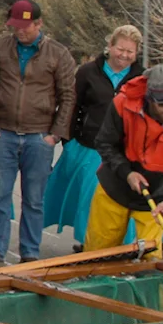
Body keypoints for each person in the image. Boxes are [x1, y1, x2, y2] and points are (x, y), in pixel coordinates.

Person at [0, 0, 76, 268]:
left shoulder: (58, 54)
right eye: (15, 26)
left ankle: (30, 253)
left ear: (39, 23)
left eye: (25, 26)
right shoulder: (1, 49)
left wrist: (55, 135)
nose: (19, 31)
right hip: (3, 134)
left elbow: (68, 96)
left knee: (34, 200)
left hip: (39, 137)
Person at [45, 25, 143, 252]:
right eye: (121, 49)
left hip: (126, 152)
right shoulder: (88, 72)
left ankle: (120, 246)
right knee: (90, 199)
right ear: (110, 46)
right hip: (90, 147)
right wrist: (68, 140)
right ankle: (88, 243)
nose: (125, 55)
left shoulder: (141, 77)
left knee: (120, 199)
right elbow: (73, 106)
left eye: (130, 51)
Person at [86, 65, 163, 255]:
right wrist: (127, 173)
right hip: (115, 185)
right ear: (149, 98)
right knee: (97, 254)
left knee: (151, 258)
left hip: (156, 197)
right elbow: (105, 143)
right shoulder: (122, 103)